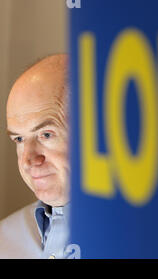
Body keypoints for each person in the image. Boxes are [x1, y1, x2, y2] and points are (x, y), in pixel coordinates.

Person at [0, 54, 72, 259]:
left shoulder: (150, 235)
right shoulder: (4, 241)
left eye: (46, 134)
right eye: (19, 139)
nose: (28, 161)